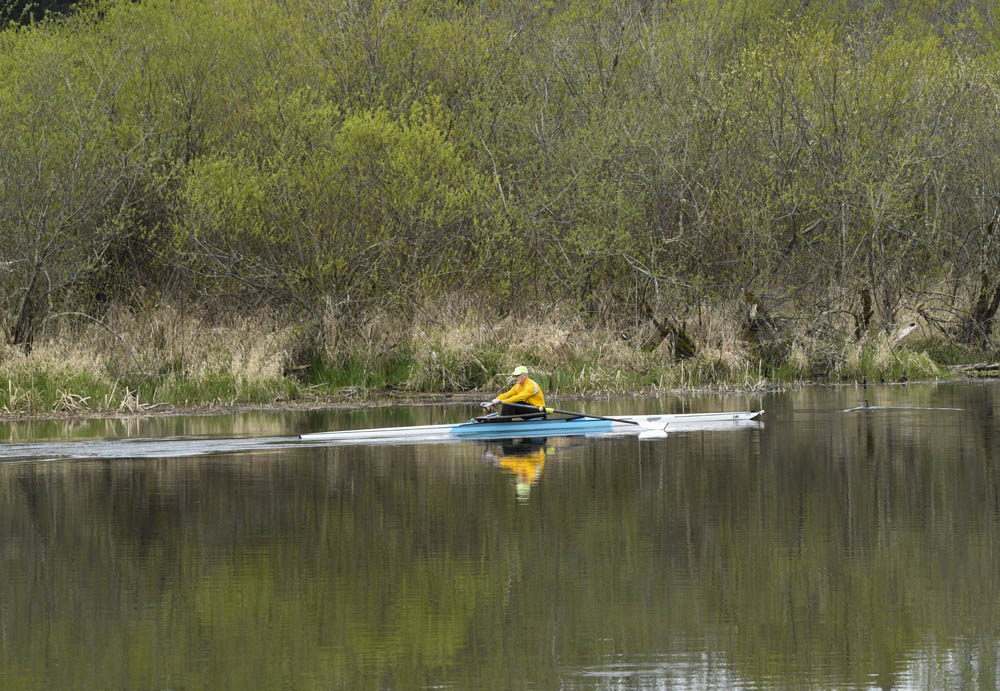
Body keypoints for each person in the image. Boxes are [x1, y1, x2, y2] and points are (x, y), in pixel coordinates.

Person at [481, 365, 546, 420]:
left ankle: (503, 423)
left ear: (525, 375)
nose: (516, 377)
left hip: (539, 411)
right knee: (509, 403)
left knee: (510, 403)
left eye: (518, 375)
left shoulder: (531, 386)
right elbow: (507, 394)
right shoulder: (518, 386)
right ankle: (504, 421)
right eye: (515, 375)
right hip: (529, 409)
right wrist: (495, 401)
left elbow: (519, 397)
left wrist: (503, 402)